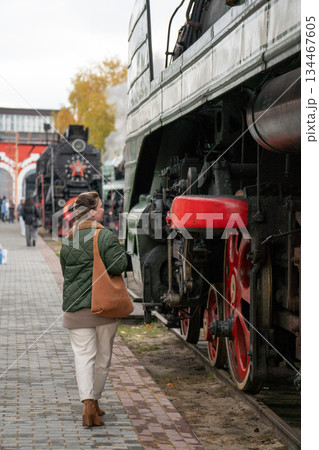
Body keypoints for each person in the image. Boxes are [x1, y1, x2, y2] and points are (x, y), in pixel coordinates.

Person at [59, 191, 127, 427]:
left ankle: (90, 405)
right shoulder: (105, 236)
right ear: (91, 212)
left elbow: (66, 271)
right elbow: (119, 265)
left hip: (75, 309)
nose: (103, 211)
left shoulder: (68, 239)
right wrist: (122, 251)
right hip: (104, 308)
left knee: (83, 357)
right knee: (103, 358)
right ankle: (92, 402)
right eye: (100, 207)